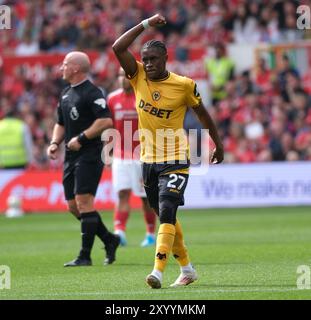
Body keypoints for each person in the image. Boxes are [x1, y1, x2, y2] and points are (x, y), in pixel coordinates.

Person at [112, 14, 224, 289]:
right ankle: (187, 269)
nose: (148, 64)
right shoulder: (137, 76)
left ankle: (157, 271)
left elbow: (203, 115)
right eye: (145, 58)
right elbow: (117, 47)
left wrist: (217, 144)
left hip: (175, 158)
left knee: (166, 209)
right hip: (148, 161)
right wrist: (146, 23)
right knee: (167, 216)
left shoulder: (184, 85)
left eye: (153, 59)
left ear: (165, 59)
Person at [47, 51, 120, 267]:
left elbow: (106, 121)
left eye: (65, 64)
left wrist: (82, 137)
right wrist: (54, 143)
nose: (61, 68)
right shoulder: (66, 93)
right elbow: (60, 122)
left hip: (90, 154)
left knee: (84, 202)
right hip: (70, 155)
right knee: (73, 206)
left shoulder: (92, 92)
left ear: (76, 68)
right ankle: (109, 239)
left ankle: (84, 256)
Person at [107, 68, 157, 247]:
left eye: (126, 76)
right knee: (122, 193)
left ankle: (150, 234)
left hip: (141, 156)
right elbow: (108, 126)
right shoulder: (112, 99)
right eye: (119, 76)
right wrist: (107, 151)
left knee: (145, 198)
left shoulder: (143, 97)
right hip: (120, 156)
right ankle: (119, 233)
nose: (122, 79)